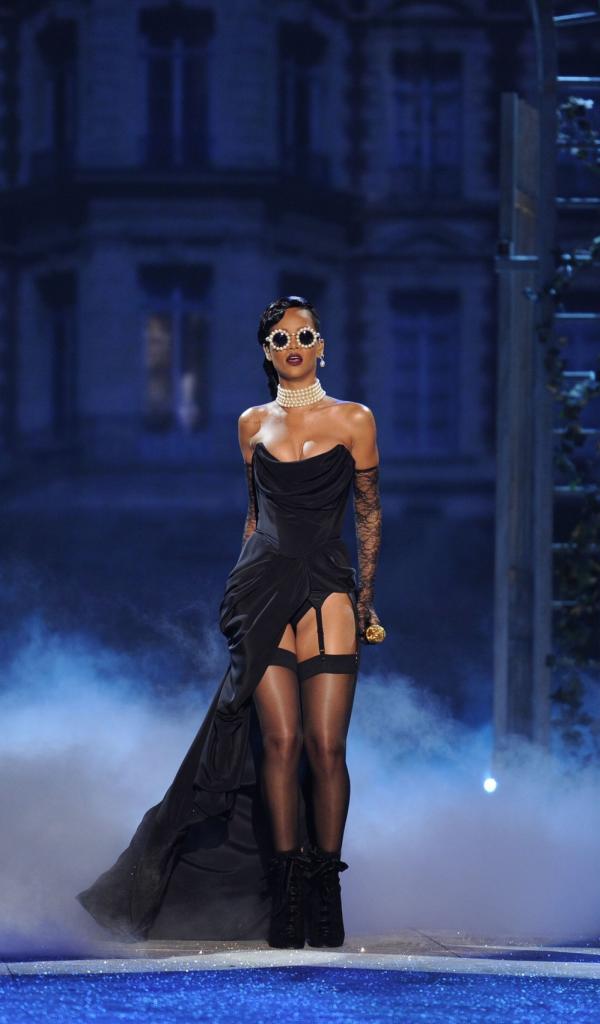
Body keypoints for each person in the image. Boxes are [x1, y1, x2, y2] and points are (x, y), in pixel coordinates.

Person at [76, 295, 384, 950]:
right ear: (267, 352)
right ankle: (287, 899)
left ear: (322, 345)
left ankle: (324, 896)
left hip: (328, 585)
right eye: (280, 339)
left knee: (325, 747)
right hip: (262, 586)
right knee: (278, 743)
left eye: (304, 335)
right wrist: (237, 591)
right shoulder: (250, 424)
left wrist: (364, 602)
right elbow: (255, 515)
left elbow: (368, 513)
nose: (294, 346)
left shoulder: (355, 419)